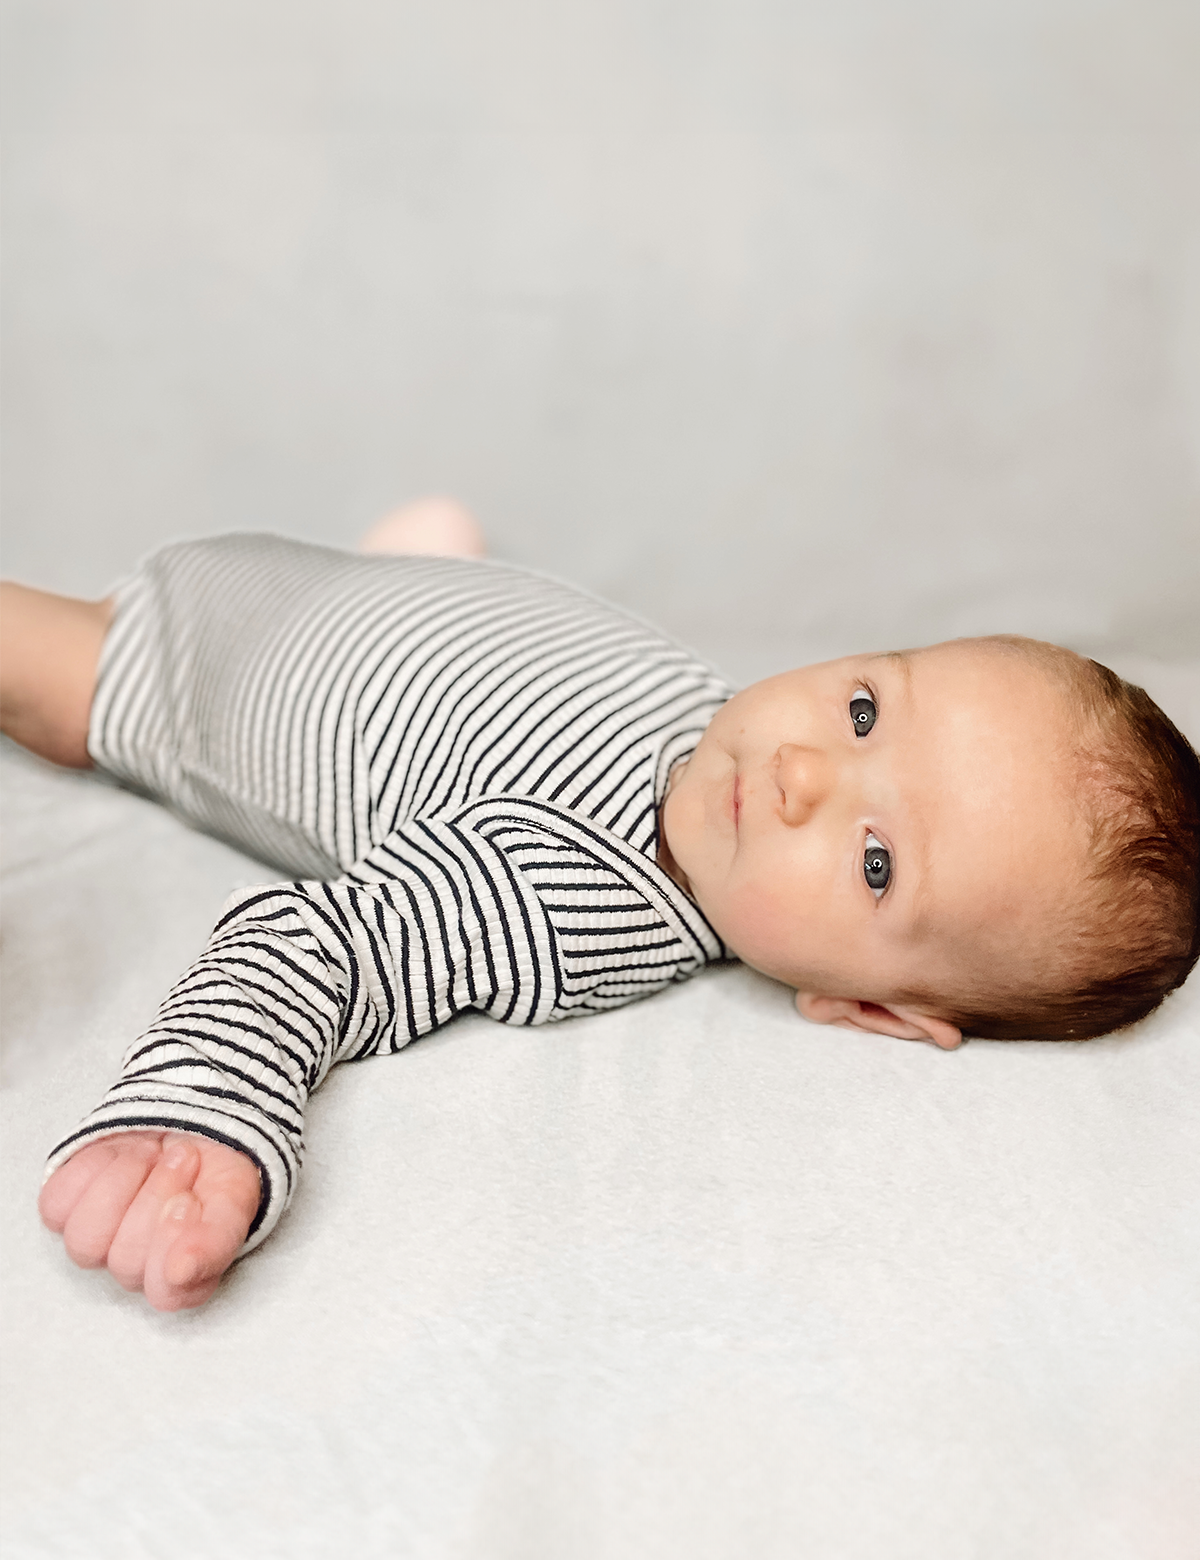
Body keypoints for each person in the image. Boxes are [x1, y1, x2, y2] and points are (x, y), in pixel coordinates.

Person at [3, 499, 1197, 1313]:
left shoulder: (561, 895)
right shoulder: (726, 735)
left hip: (165, 658)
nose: (802, 773)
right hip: (353, 590)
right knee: (438, 552)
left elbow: (323, 944)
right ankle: (415, 558)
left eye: (876, 862)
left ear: (873, 1006)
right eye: (868, 710)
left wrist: (207, 1110)